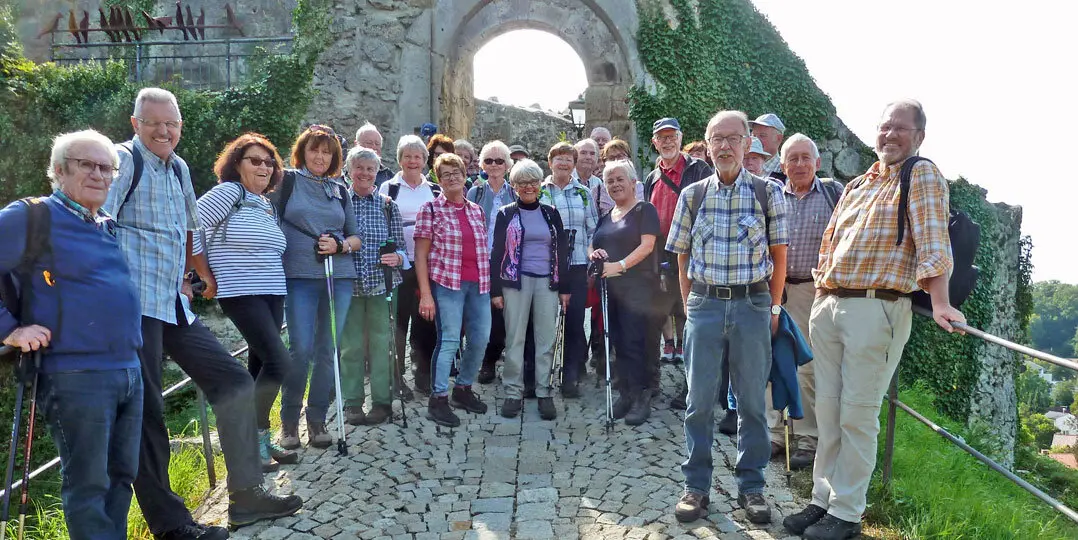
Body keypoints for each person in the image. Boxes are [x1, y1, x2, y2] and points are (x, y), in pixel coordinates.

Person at [105, 88, 301, 539]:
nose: (163, 131)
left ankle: (246, 497)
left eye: (171, 123)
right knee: (147, 411)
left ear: (180, 126)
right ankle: (172, 526)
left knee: (233, 382)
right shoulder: (122, 161)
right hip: (132, 306)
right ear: (135, 124)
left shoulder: (177, 168)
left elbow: (189, 228)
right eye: (153, 122)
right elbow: (98, 224)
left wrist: (194, 273)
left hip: (172, 303)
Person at [784, 100, 965, 540]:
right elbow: (831, 242)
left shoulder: (921, 174)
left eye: (901, 128)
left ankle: (847, 513)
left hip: (876, 306)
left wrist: (940, 302)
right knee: (828, 412)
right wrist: (822, 292)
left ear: (919, 136)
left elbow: (933, 241)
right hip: (831, 304)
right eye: (885, 126)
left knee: (857, 415)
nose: (890, 134)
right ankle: (823, 500)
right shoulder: (859, 183)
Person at [0, 130, 142, 540]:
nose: (99, 174)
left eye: (107, 168)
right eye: (86, 164)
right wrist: (11, 330)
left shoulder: (104, 225)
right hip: (74, 373)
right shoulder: (31, 217)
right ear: (59, 170)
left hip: (127, 368)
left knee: (121, 478)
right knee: (89, 486)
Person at [666, 110, 788, 525]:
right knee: (698, 401)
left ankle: (752, 487)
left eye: (733, 138)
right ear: (707, 144)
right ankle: (696, 486)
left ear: (748, 142)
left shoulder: (769, 193)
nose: (724, 146)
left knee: (752, 403)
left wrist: (773, 307)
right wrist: (689, 304)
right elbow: (682, 255)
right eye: (717, 138)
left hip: (752, 305)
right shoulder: (692, 195)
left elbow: (780, 256)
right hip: (705, 303)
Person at [195, 133, 298, 471]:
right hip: (241, 292)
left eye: (269, 162)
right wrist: (203, 274)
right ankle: (250, 441)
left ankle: (260, 441)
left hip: (272, 291)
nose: (264, 167)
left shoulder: (265, 204)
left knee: (260, 365)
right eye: (255, 160)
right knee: (280, 363)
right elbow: (191, 227)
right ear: (236, 164)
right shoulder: (229, 192)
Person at [272, 124, 361, 450]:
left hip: (339, 277)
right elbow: (270, 218)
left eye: (326, 152)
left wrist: (340, 246)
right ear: (303, 152)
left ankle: (317, 418)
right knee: (301, 349)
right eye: (314, 150)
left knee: (328, 350)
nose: (320, 157)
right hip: (299, 277)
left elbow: (355, 237)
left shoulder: (340, 190)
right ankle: (289, 422)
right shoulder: (287, 181)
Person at [768, 133, 843, 470]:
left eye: (805, 158)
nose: (799, 164)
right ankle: (773, 432)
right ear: (782, 165)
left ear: (817, 162)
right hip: (772, 288)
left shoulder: (833, 195)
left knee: (806, 366)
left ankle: (807, 437)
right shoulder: (770, 195)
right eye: (792, 159)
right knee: (769, 359)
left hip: (812, 290)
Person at [413, 153, 492, 427]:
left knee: (480, 339)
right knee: (449, 341)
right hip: (448, 285)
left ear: (464, 174)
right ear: (439, 180)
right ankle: (438, 399)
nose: (452, 178)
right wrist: (426, 294)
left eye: (456, 172)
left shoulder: (476, 210)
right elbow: (420, 256)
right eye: (445, 174)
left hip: (479, 285)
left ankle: (463, 389)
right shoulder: (430, 210)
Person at [490, 159, 571, 420]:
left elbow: (561, 251)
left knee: (546, 339)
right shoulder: (506, 214)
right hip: (515, 283)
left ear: (540, 184)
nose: (528, 187)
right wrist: (495, 290)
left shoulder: (551, 213)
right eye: (522, 182)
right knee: (514, 339)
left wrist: (564, 287)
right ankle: (513, 392)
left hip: (547, 282)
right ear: (514, 186)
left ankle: (544, 391)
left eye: (533, 182)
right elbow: (496, 252)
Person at [642, 118, 712, 409]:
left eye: (672, 136)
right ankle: (651, 383)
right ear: (654, 142)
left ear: (681, 139)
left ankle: (693, 387)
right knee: (656, 317)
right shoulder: (651, 177)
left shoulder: (699, 169)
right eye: (662, 137)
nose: (667, 141)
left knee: (692, 320)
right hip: (660, 255)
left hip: (692, 254)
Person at [589, 160, 661, 426]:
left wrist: (619, 266)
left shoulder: (644, 210)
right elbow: (593, 243)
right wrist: (594, 254)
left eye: (620, 179)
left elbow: (647, 246)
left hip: (639, 288)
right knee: (618, 341)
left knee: (636, 341)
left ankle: (642, 395)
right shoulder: (606, 216)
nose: (615, 184)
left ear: (633, 183)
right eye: (610, 181)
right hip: (611, 290)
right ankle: (626, 392)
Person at [340, 147, 408, 426]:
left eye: (371, 169)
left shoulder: (388, 206)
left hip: (382, 285)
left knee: (383, 345)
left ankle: (381, 402)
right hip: (349, 286)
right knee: (351, 347)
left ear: (377, 172)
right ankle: (353, 403)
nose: (365, 173)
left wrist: (397, 258)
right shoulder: (340, 202)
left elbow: (402, 249)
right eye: (359, 167)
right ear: (349, 171)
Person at [379, 135, 440, 398]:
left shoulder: (434, 190)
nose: (412, 161)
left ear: (425, 161)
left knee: (426, 320)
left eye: (417, 156)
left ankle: (422, 372)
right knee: (399, 320)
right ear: (399, 159)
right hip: (399, 265)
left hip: (429, 264)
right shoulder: (389, 188)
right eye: (407, 156)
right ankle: (396, 377)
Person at [539, 142, 598, 398]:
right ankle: (539, 374)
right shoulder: (540, 191)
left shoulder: (583, 193)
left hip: (576, 265)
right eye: (559, 158)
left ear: (574, 164)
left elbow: (593, 230)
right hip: (546, 267)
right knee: (544, 321)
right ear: (550, 162)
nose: (563, 163)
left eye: (568, 159)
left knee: (574, 322)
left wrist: (590, 263)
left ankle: (570, 374)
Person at [467, 141, 517, 384]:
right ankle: (481, 360)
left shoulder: (515, 193)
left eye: (499, 160)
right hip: (480, 262)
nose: (494, 165)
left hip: (507, 263)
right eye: (489, 160)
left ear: (507, 165)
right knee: (480, 314)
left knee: (501, 315)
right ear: (482, 165)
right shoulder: (474, 193)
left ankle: (491, 359)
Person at [593, 138, 644, 214]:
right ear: (604, 162)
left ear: (629, 159)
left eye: (620, 156)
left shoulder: (641, 187)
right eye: (611, 158)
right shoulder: (598, 191)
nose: (616, 161)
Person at [354, 122, 393, 187]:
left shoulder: (388, 176)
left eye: (377, 144)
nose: (374, 147)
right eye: (369, 143)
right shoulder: (345, 174)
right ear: (356, 144)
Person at [749, 113, 785, 179]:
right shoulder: (741, 166)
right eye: (754, 135)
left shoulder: (786, 170)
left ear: (779, 139)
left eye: (762, 136)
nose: (756, 139)